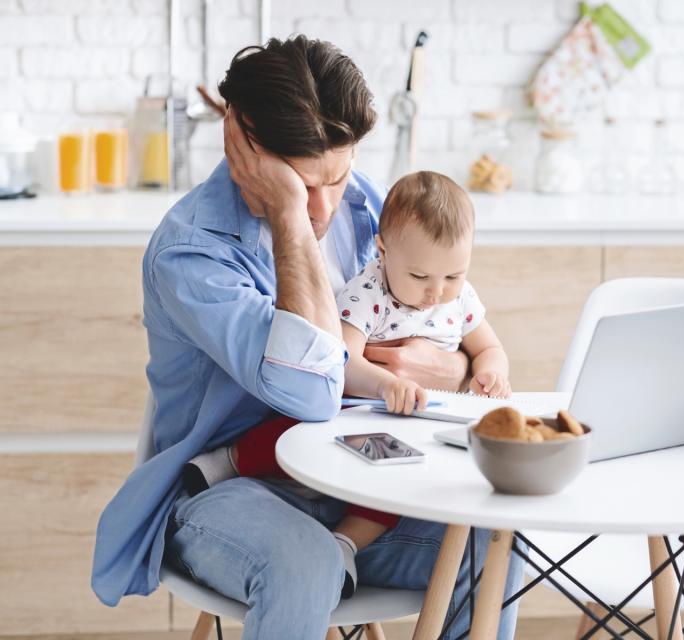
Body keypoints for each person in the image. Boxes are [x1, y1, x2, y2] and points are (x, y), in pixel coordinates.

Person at [91, 36, 525, 639]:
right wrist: (288, 217)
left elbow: (442, 334)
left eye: (337, 179)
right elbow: (313, 392)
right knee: (306, 562)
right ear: (246, 146)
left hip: (360, 482)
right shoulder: (192, 254)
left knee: (495, 536)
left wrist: (452, 371)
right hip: (233, 491)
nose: (324, 207)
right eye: (300, 183)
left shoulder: (370, 208)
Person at [181, 170, 512, 598]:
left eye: (453, 276)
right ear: (382, 250)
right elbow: (342, 361)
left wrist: (491, 371)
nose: (436, 293)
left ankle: (347, 543)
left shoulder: (460, 300)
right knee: (291, 435)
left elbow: (490, 348)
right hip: (353, 416)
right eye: (419, 277)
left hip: (415, 428)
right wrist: (382, 384)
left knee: (398, 489)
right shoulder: (370, 292)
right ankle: (230, 458)